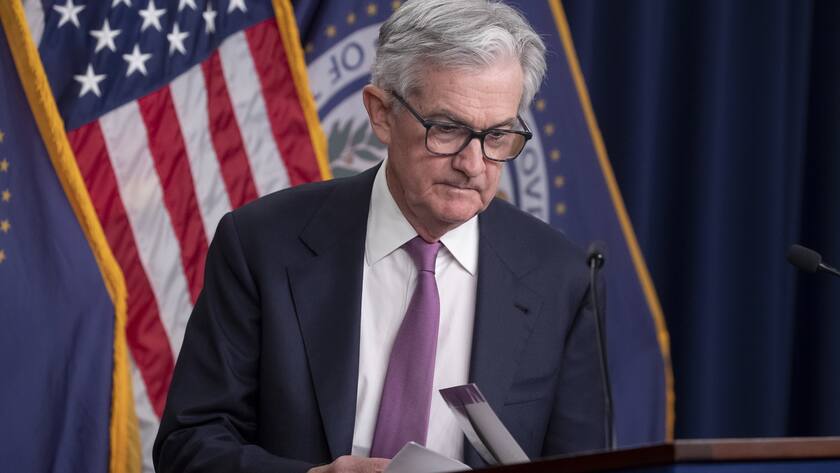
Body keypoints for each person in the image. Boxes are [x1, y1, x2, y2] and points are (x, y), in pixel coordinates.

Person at [153, 1, 606, 472]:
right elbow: (188, 445)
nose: (473, 165)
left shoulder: (563, 279)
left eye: (497, 137)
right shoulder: (261, 245)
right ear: (381, 113)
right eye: (447, 129)